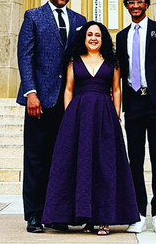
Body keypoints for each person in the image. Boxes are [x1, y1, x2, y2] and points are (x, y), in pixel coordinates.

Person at [42, 21, 140, 235]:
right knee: (81, 165)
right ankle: (85, 218)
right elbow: (69, 89)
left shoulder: (112, 62)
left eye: (97, 35)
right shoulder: (73, 61)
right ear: (84, 39)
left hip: (105, 116)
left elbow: (116, 90)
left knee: (103, 165)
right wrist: (69, 116)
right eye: (89, 35)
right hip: (79, 116)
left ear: (103, 38)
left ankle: (104, 219)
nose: (93, 38)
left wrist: (115, 117)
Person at [16, 0, 86, 234]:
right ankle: (34, 215)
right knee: (36, 159)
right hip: (41, 100)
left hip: (69, 102)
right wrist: (30, 94)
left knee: (63, 159)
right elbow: (25, 56)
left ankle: (57, 214)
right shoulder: (33, 17)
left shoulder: (79, 21)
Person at [115, 0, 156, 235]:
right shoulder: (121, 36)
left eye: (139, 2)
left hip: (154, 102)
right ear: (126, 6)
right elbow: (119, 74)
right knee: (135, 160)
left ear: (147, 5)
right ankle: (138, 212)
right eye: (131, 2)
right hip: (133, 103)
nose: (135, 6)